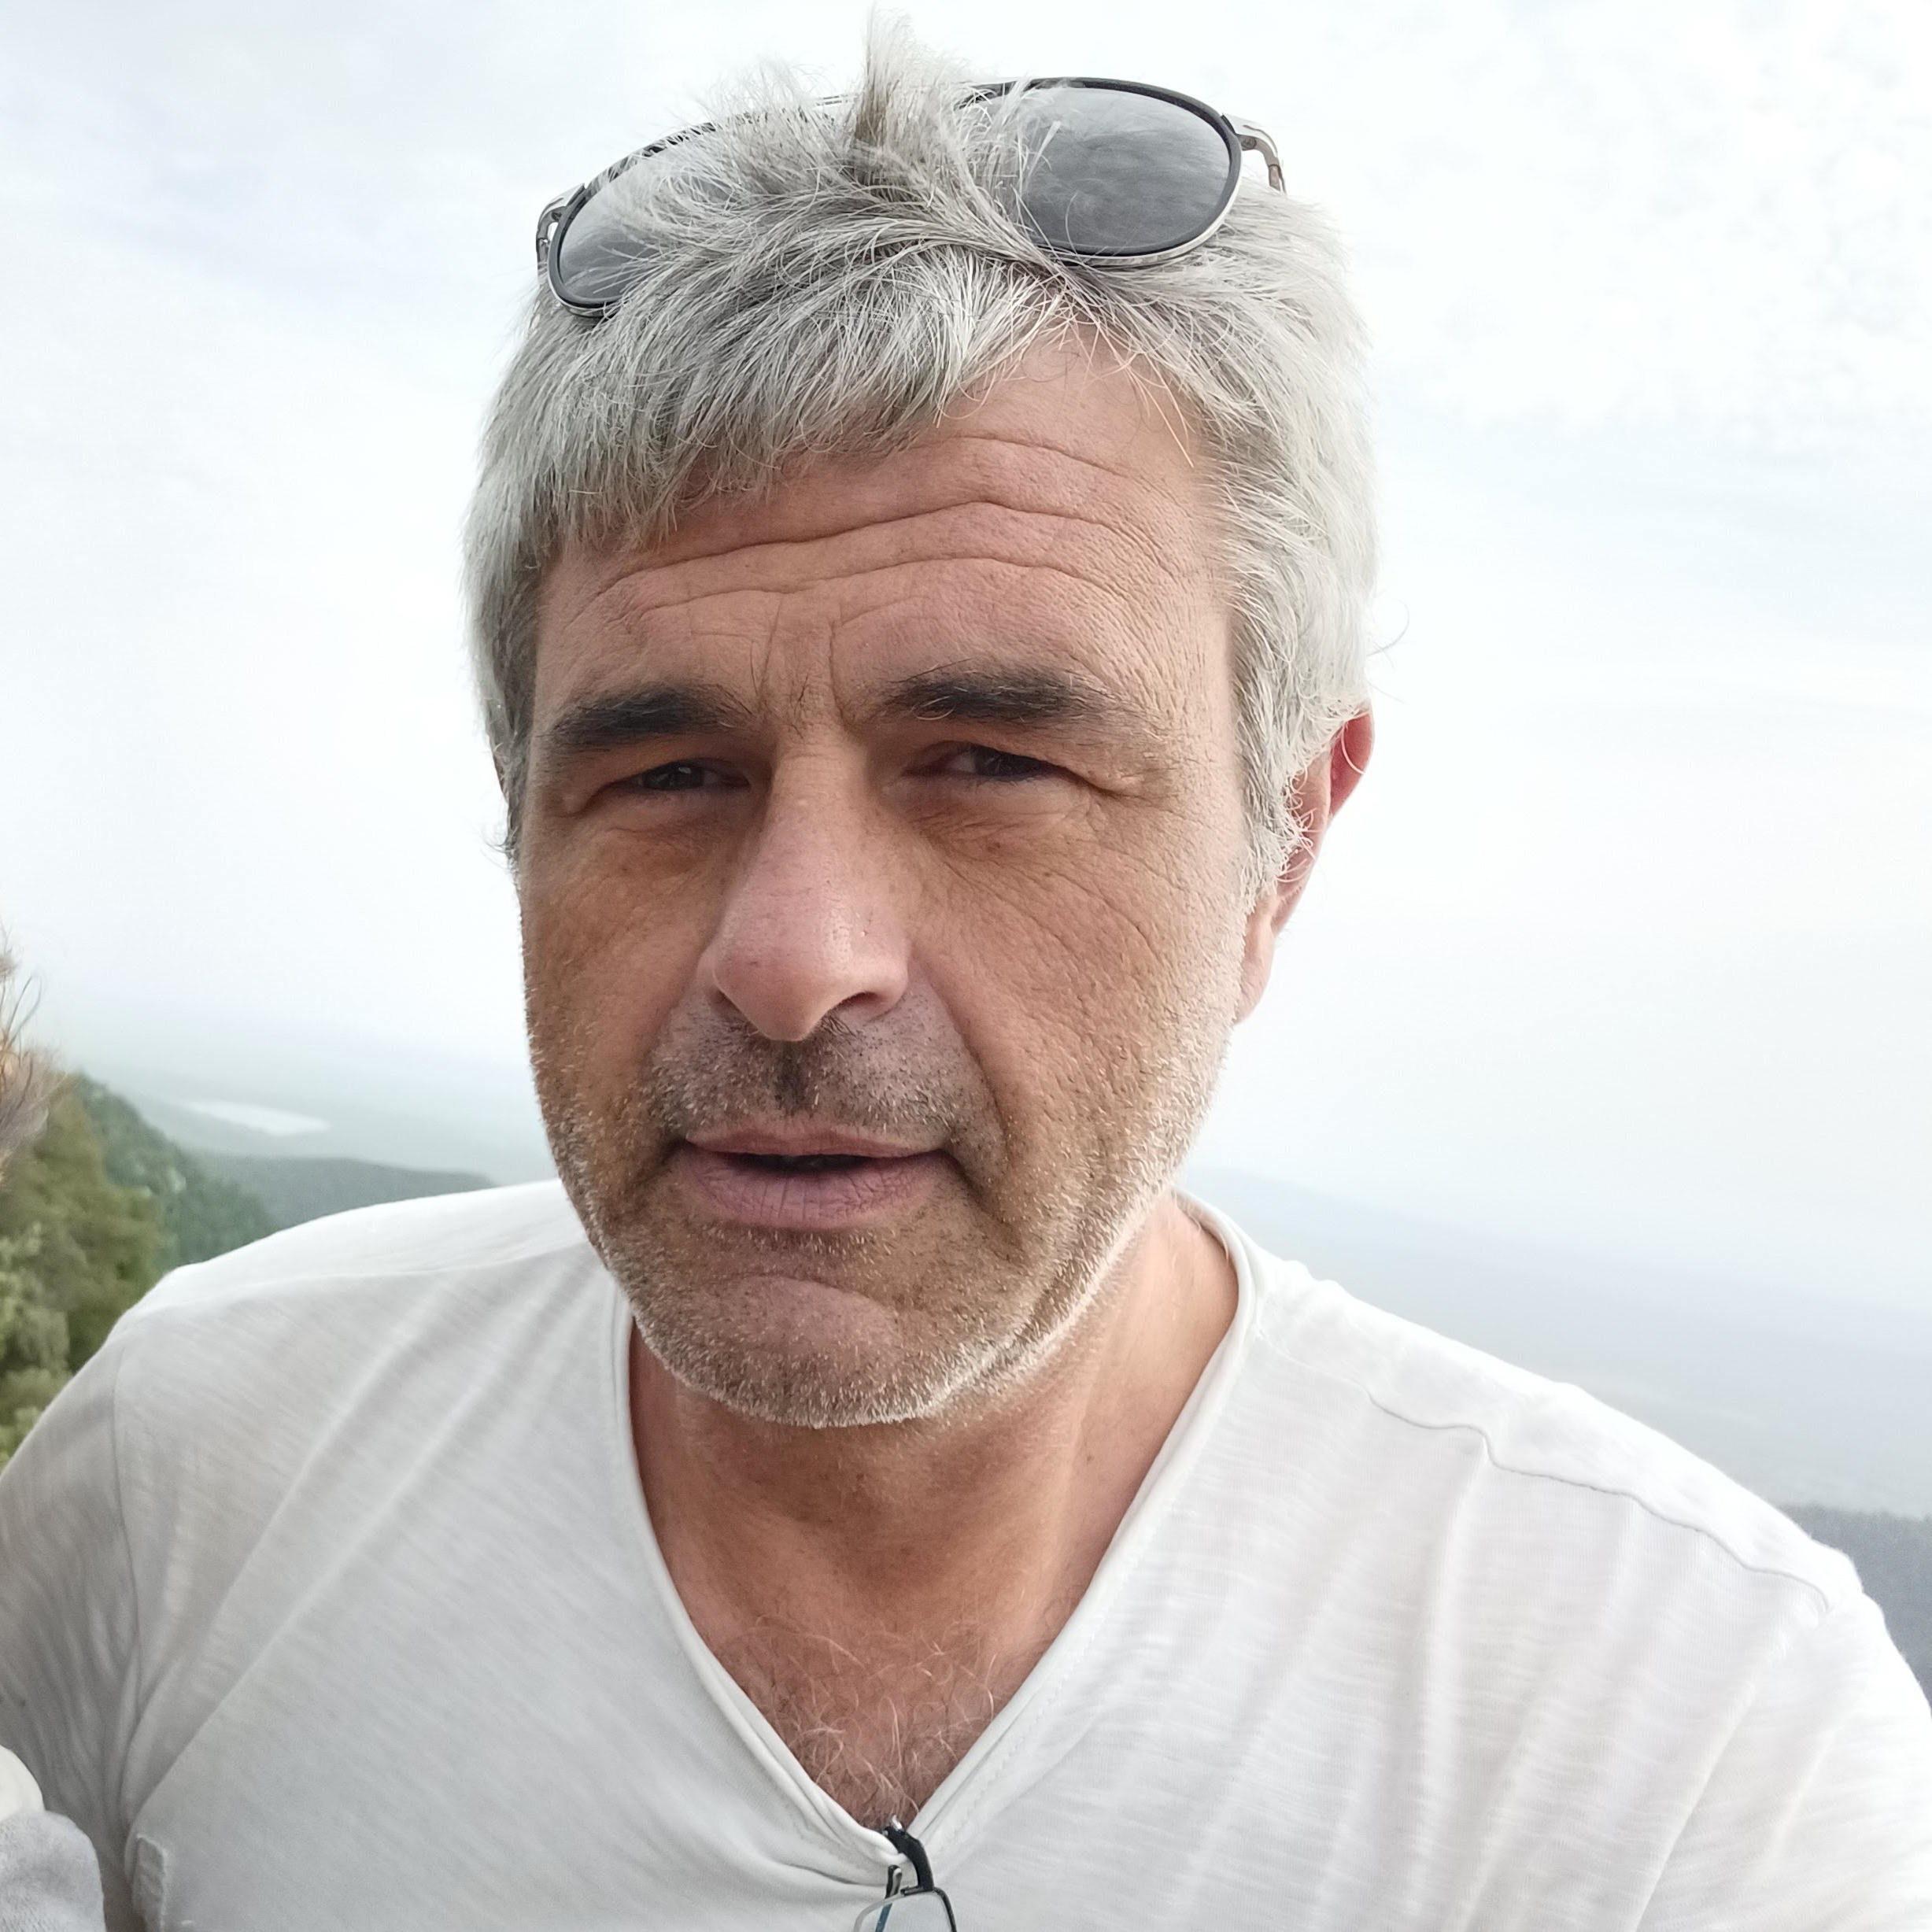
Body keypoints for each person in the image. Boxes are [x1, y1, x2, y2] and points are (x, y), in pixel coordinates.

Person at [2, 32, 1928, 1930]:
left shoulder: (1684, 1759)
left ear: (1284, 839)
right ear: (522, 817)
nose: (793, 961)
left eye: (991, 764)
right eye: (665, 775)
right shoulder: (195, 1464)